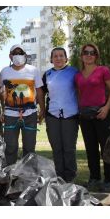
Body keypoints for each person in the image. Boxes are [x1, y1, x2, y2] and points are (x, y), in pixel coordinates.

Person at [75, 43, 110, 191]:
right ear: (82, 56)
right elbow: (80, 94)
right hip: (85, 116)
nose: (89, 55)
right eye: (86, 52)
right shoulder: (78, 75)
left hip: (102, 114)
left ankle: (109, 180)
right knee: (91, 148)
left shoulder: (103, 70)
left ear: (96, 56)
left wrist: (106, 108)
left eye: (92, 53)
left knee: (106, 148)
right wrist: (80, 111)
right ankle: (94, 179)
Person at [0, 44, 45, 165]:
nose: (18, 55)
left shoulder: (33, 70)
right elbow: (0, 92)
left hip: (30, 114)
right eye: (15, 53)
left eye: (21, 53)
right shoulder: (4, 71)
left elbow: (39, 91)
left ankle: (28, 176)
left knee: (29, 148)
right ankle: (9, 175)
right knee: (10, 147)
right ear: (10, 56)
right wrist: (2, 111)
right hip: (10, 115)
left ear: (25, 56)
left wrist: (42, 109)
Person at [42, 47, 79, 182]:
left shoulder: (74, 72)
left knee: (69, 148)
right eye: (55, 56)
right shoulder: (47, 74)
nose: (58, 58)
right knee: (56, 148)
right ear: (51, 59)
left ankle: (70, 177)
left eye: (61, 55)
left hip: (70, 115)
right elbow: (41, 93)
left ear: (66, 58)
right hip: (52, 115)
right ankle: (59, 176)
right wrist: (41, 109)